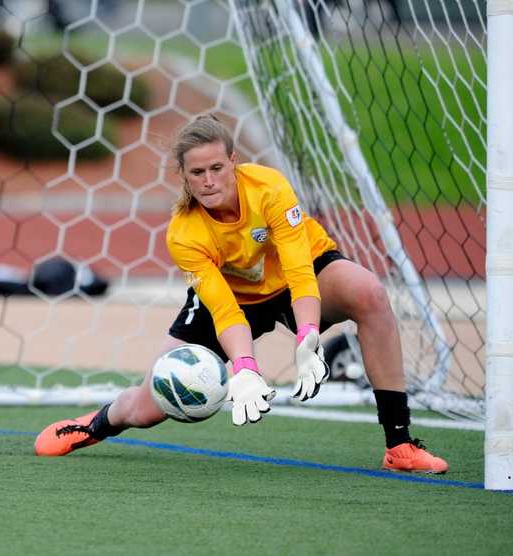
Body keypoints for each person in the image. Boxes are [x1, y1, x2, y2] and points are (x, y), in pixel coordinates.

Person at [34, 114, 448, 474]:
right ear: (183, 175)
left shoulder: (268, 188)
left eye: (217, 167)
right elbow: (225, 309)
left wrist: (308, 335)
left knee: (370, 293)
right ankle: (94, 424)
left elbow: (300, 269)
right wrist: (245, 367)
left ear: (234, 160)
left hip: (294, 278)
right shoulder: (185, 233)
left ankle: (400, 445)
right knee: (148, 406)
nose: (209, 181)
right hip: (237, 301)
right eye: (197, 173)